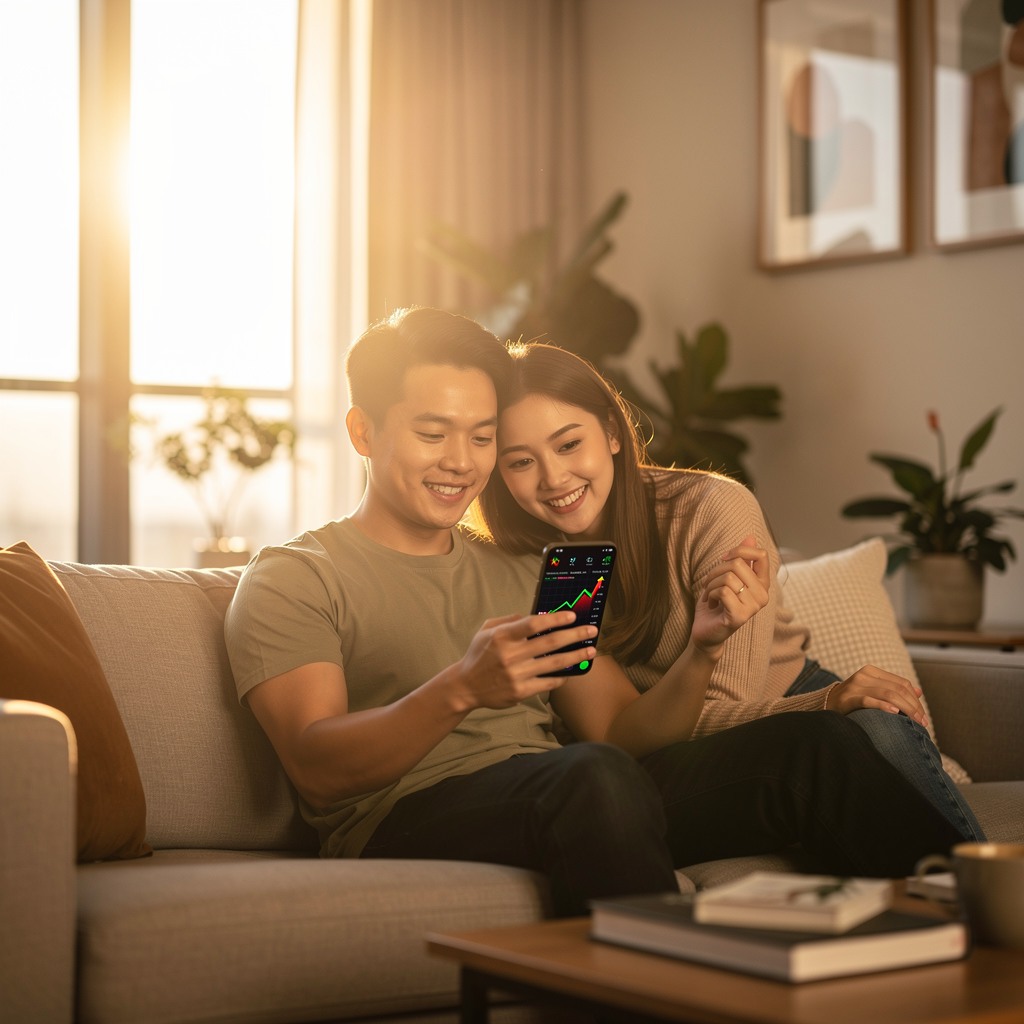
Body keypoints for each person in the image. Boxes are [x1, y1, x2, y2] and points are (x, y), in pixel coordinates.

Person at [225, 306, 965, 920]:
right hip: (407, 817)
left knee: (820, 750)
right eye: (432, 433)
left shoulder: (533, 569)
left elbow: (618, 729)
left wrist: (705, 645)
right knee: (592, 778)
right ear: (363, 433)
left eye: (482, 437)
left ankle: (981, 955)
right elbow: (318, 771)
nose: (461, 461)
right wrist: (460, 689)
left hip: (579, 796)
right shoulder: (295, 577)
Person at [473, 339, 985, 842]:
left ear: (611, 432)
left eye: (568, 444)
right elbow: (612, 731)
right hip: (681, 741)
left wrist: (829, 699)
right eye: (521, 461)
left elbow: (732, 703)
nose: (554, 477)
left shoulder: (709, 508)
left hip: (778, 694)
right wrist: (828, 703)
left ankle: (983, 893)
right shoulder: (541, 570)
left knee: (881, 722)